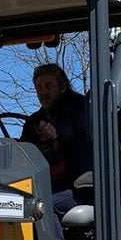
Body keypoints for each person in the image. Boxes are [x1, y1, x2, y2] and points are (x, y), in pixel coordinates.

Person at [19, 64, 91, 217]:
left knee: (39, 207)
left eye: (48, 86)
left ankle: (53, 235)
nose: (43, 92)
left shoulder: (82, 107)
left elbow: (70, 128)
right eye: (39, 87)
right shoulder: (35, 120)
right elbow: (23, 151)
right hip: (44, 184)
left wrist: (55, 132)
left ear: (62, 86)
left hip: (78, 186)